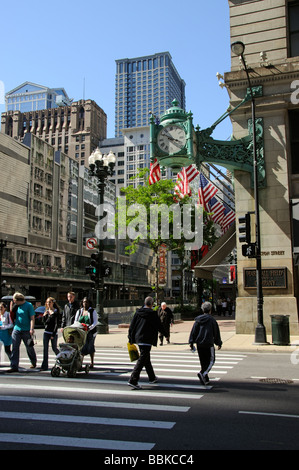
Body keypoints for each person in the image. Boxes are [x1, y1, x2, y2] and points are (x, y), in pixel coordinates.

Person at [127, 296, 166, 390]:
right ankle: (133, 379)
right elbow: (158, 325)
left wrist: (130, 338)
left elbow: (132, 326)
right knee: (143, 358)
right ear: (152, 304)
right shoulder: (152, 314)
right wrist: (166, 334)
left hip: (138, 338)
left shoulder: (138, 312)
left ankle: (152, 377)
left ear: (145, 303)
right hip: (147, 339)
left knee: (146, 358)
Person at [189, 301, 222, 385]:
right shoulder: (212, 320)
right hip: (208, 343)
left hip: (199, 344)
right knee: (211, 360)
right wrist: (218, 342)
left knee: (203, 361)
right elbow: (216, 332)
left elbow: (193, 331)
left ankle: (205, 378)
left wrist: (191, 342)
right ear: (210, 310)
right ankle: (203, 373)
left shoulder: (198, 320)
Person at [7, 292, 37, 373]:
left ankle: (33, 361)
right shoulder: (16, 306)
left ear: (18, 300)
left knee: (29, 347)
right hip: (17, 329)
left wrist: (31, 328)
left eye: (14, 300)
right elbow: (12, 316)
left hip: (26, 330)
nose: (14, 302)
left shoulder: (28, 305)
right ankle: (14, 366)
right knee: (15, 347)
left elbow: (32, 318)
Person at [74, 297, 97, 368]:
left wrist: (89, 328)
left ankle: (92, 362)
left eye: (86, 302)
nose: (85, 303)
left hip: (90, 332)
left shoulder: (92, 311)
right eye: (84, 302)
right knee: (81, 347)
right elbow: (76, 321)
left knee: (90, 346)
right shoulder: (79, 311)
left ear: (89, 303)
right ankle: (80, 362)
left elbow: (95, 322)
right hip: (81, 331)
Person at [40, 297, 60, 371]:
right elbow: (44, 323)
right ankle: (44, 365)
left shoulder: (56, 312)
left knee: (54, 348)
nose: (48, 304)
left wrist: (53, 334)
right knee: (45, 349)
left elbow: (56, 324)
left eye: (50, 302)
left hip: (52, 333)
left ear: (53, 303)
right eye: (47, 302)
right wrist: (44, 316)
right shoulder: (47, 311)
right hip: (46, 332)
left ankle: (62, 359)